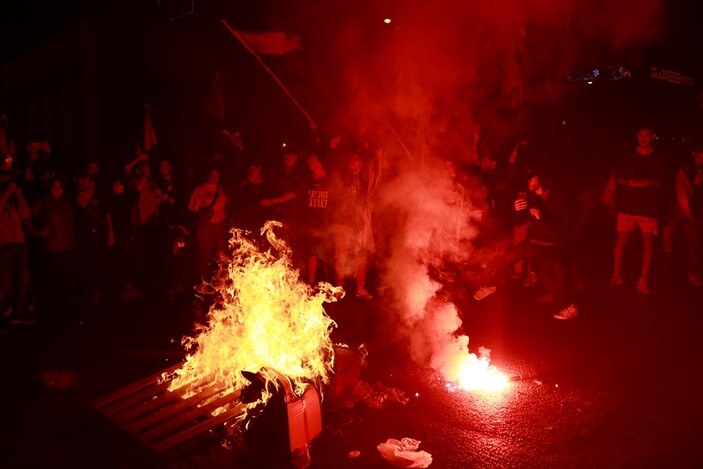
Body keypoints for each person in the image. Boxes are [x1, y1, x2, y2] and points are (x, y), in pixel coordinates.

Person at [474, 170, 578, 320]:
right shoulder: (531, 197)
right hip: (533, 242)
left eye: (531, 180)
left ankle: (569, 307)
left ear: (539, 179)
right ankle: (490, 285)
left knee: (547, 274)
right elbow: (519, 221)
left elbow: (564, 224)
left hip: (551, 245)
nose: (528, 183)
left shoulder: (556, 197)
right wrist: (516, 210)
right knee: (508, 257)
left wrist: (543, 218)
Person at [606, 125, 668, 294]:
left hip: (649, 208)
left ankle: (642, 280)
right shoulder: (628, 157)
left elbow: (664, 183)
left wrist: (652, 183)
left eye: (646, 135)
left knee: (648, 242)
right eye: (640, 135)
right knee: (620, 241)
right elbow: (618, 179)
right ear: (636, 136)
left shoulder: (659, 158)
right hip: (627, 206)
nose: (643, 138)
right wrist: (628, 183)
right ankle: (616, 275)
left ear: (653, 136)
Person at [330, 148, 380, 299]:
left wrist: (371, 204)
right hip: (343, 221)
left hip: (360, 222)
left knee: (361, 255)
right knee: (341, 255)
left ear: (361, 163)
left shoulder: (366, 179)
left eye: (355, 159)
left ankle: (360, 287)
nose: (351, 162)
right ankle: (339, 287)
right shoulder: (342, 177)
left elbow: (373, 196)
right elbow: (337, 197)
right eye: (350, 160)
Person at [0, 153, 31, 326]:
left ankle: (18, 312)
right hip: (3, 244)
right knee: (4, 282)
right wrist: (6, 192)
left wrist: (18, 195)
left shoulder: (12, 199)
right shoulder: (3, 197)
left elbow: (26, 214)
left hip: (19, 242)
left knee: (21, 279)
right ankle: (3, 314)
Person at [666, 143, 703, 286]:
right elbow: (683, 194)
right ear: (693, 154)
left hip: (698, 212)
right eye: (699, 154)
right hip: (685, 212)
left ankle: (693, 273)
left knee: (696, 246)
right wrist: (694, 184)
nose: (701, 158)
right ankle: (678, 273)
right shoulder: (685, 170)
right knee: (683, 244)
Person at [187, 168, 227, 281]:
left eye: (217, 175)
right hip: (206, 226)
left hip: (219, 224)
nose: (215, 178)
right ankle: (204, 280)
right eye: (212, 175)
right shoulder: (200, 189)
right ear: (207, 176)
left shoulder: (222, 190)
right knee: (205, 254)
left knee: (220, 253)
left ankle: (220, 279)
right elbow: (192, 208)